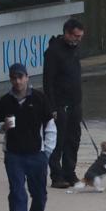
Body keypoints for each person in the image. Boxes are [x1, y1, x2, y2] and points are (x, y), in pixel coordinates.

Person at [0, 63, 57, 211]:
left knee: (39, 195)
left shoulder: (39, 98)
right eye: (14, 77)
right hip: (14, 156)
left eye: (21, 77)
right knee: (17, 194)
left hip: (37, 154)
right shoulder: (5, 101)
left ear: (27, 77)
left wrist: (47, 152)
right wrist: (3, 126)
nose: (18, 81)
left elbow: (50, 126)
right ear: (11, 79)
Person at [43, 18, 85, 188]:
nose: (78, 39)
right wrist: (52, 107)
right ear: (67, 33)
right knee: (58, 141)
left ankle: (70, 172)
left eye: (81, 36)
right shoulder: (53, 51)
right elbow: (48, 81)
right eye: (76, 36)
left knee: (73, 139)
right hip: (60, 104)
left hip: (75, 103)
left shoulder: (74, 49)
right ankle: (57, 176)